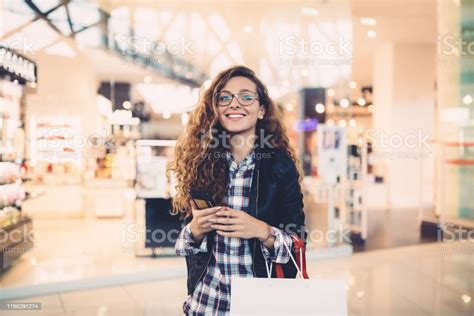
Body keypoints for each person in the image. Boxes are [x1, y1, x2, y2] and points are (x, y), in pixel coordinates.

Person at [169, 65, 306, 315]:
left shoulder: (279, 167)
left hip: (260, 305)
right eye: (224, 97)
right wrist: (196, 229)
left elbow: (298, 245)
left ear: (261, 109)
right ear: (215, 109)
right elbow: (183, 244)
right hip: (207, 303)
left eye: (246, 96)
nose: (235, 103)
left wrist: (262, 231)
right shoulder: (200, 164)